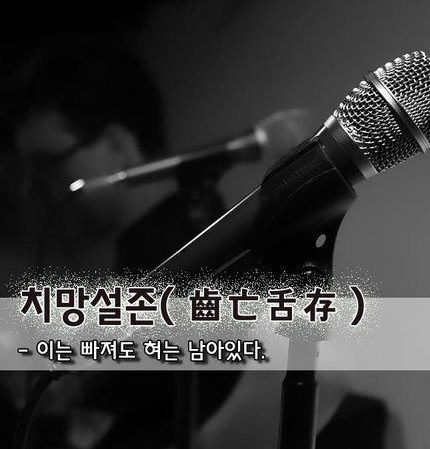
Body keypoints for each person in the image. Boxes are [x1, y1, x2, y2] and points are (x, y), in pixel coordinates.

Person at [9, 35, 389, 448]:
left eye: (47, 165)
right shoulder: (159, 245)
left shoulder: (193, 247)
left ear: (117, 144)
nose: (36, 191)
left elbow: (328, 371)